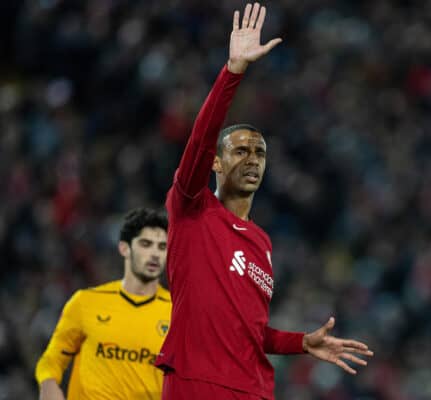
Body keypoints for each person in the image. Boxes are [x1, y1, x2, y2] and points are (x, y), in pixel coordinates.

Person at [155, 3, 373, 399]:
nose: (252, 160)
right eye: (241, 151)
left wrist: (301, 343)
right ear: (216, 163)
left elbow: (248, 332)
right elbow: (201, 140)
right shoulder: (192, 207)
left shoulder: (262, 243)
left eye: (260, 153)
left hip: (254, 389)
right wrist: (232, 72)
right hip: (198, 382)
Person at [35, 208, 170, 400]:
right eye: (146, 244)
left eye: (162, 247)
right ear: (125, 248)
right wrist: (48, 383)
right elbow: (52, 359)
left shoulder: (177, 314)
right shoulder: (85, 302)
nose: (155, 254)